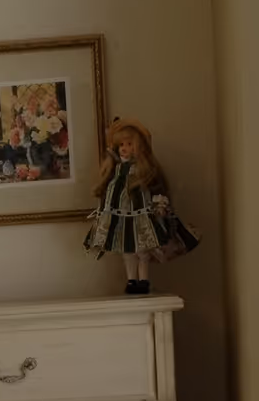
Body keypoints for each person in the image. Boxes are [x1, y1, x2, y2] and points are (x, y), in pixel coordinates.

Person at [82, 117, 199, 294]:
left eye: (129, 144)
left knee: (142, 249)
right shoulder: (116, 169)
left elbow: (156, 188)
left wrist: (160, 204)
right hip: (121, 216)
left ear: (139, 146)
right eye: (121, 144)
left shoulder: (145, 170)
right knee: (127, 249)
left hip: (141, 215)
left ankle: (143, 280)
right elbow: (107, 190)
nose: (124, 148)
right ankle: (132, 281)